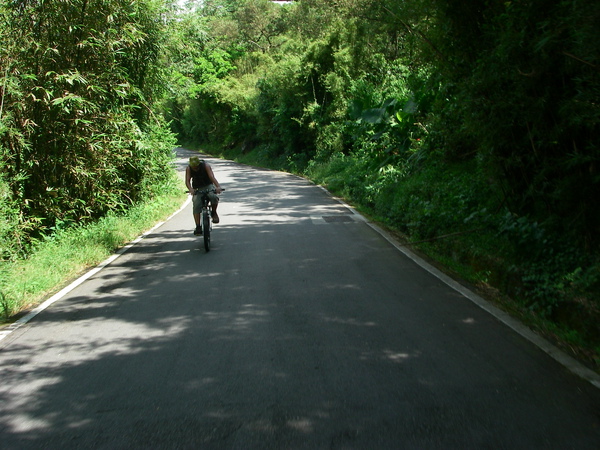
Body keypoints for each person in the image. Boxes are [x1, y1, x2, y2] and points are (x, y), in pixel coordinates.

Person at [185, 156, 222, 235]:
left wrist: (217, 187)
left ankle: (214, 213)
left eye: (196, 166)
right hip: (197, 188)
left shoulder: (206, 166)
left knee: (213, 197)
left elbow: (211, 177)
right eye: (193, 167)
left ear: (199, 164)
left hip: (208, 185)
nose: (195, 168)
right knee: (196, 204)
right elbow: (187, 181)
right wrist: (190, 189)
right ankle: (198, 226)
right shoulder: (188, 168)